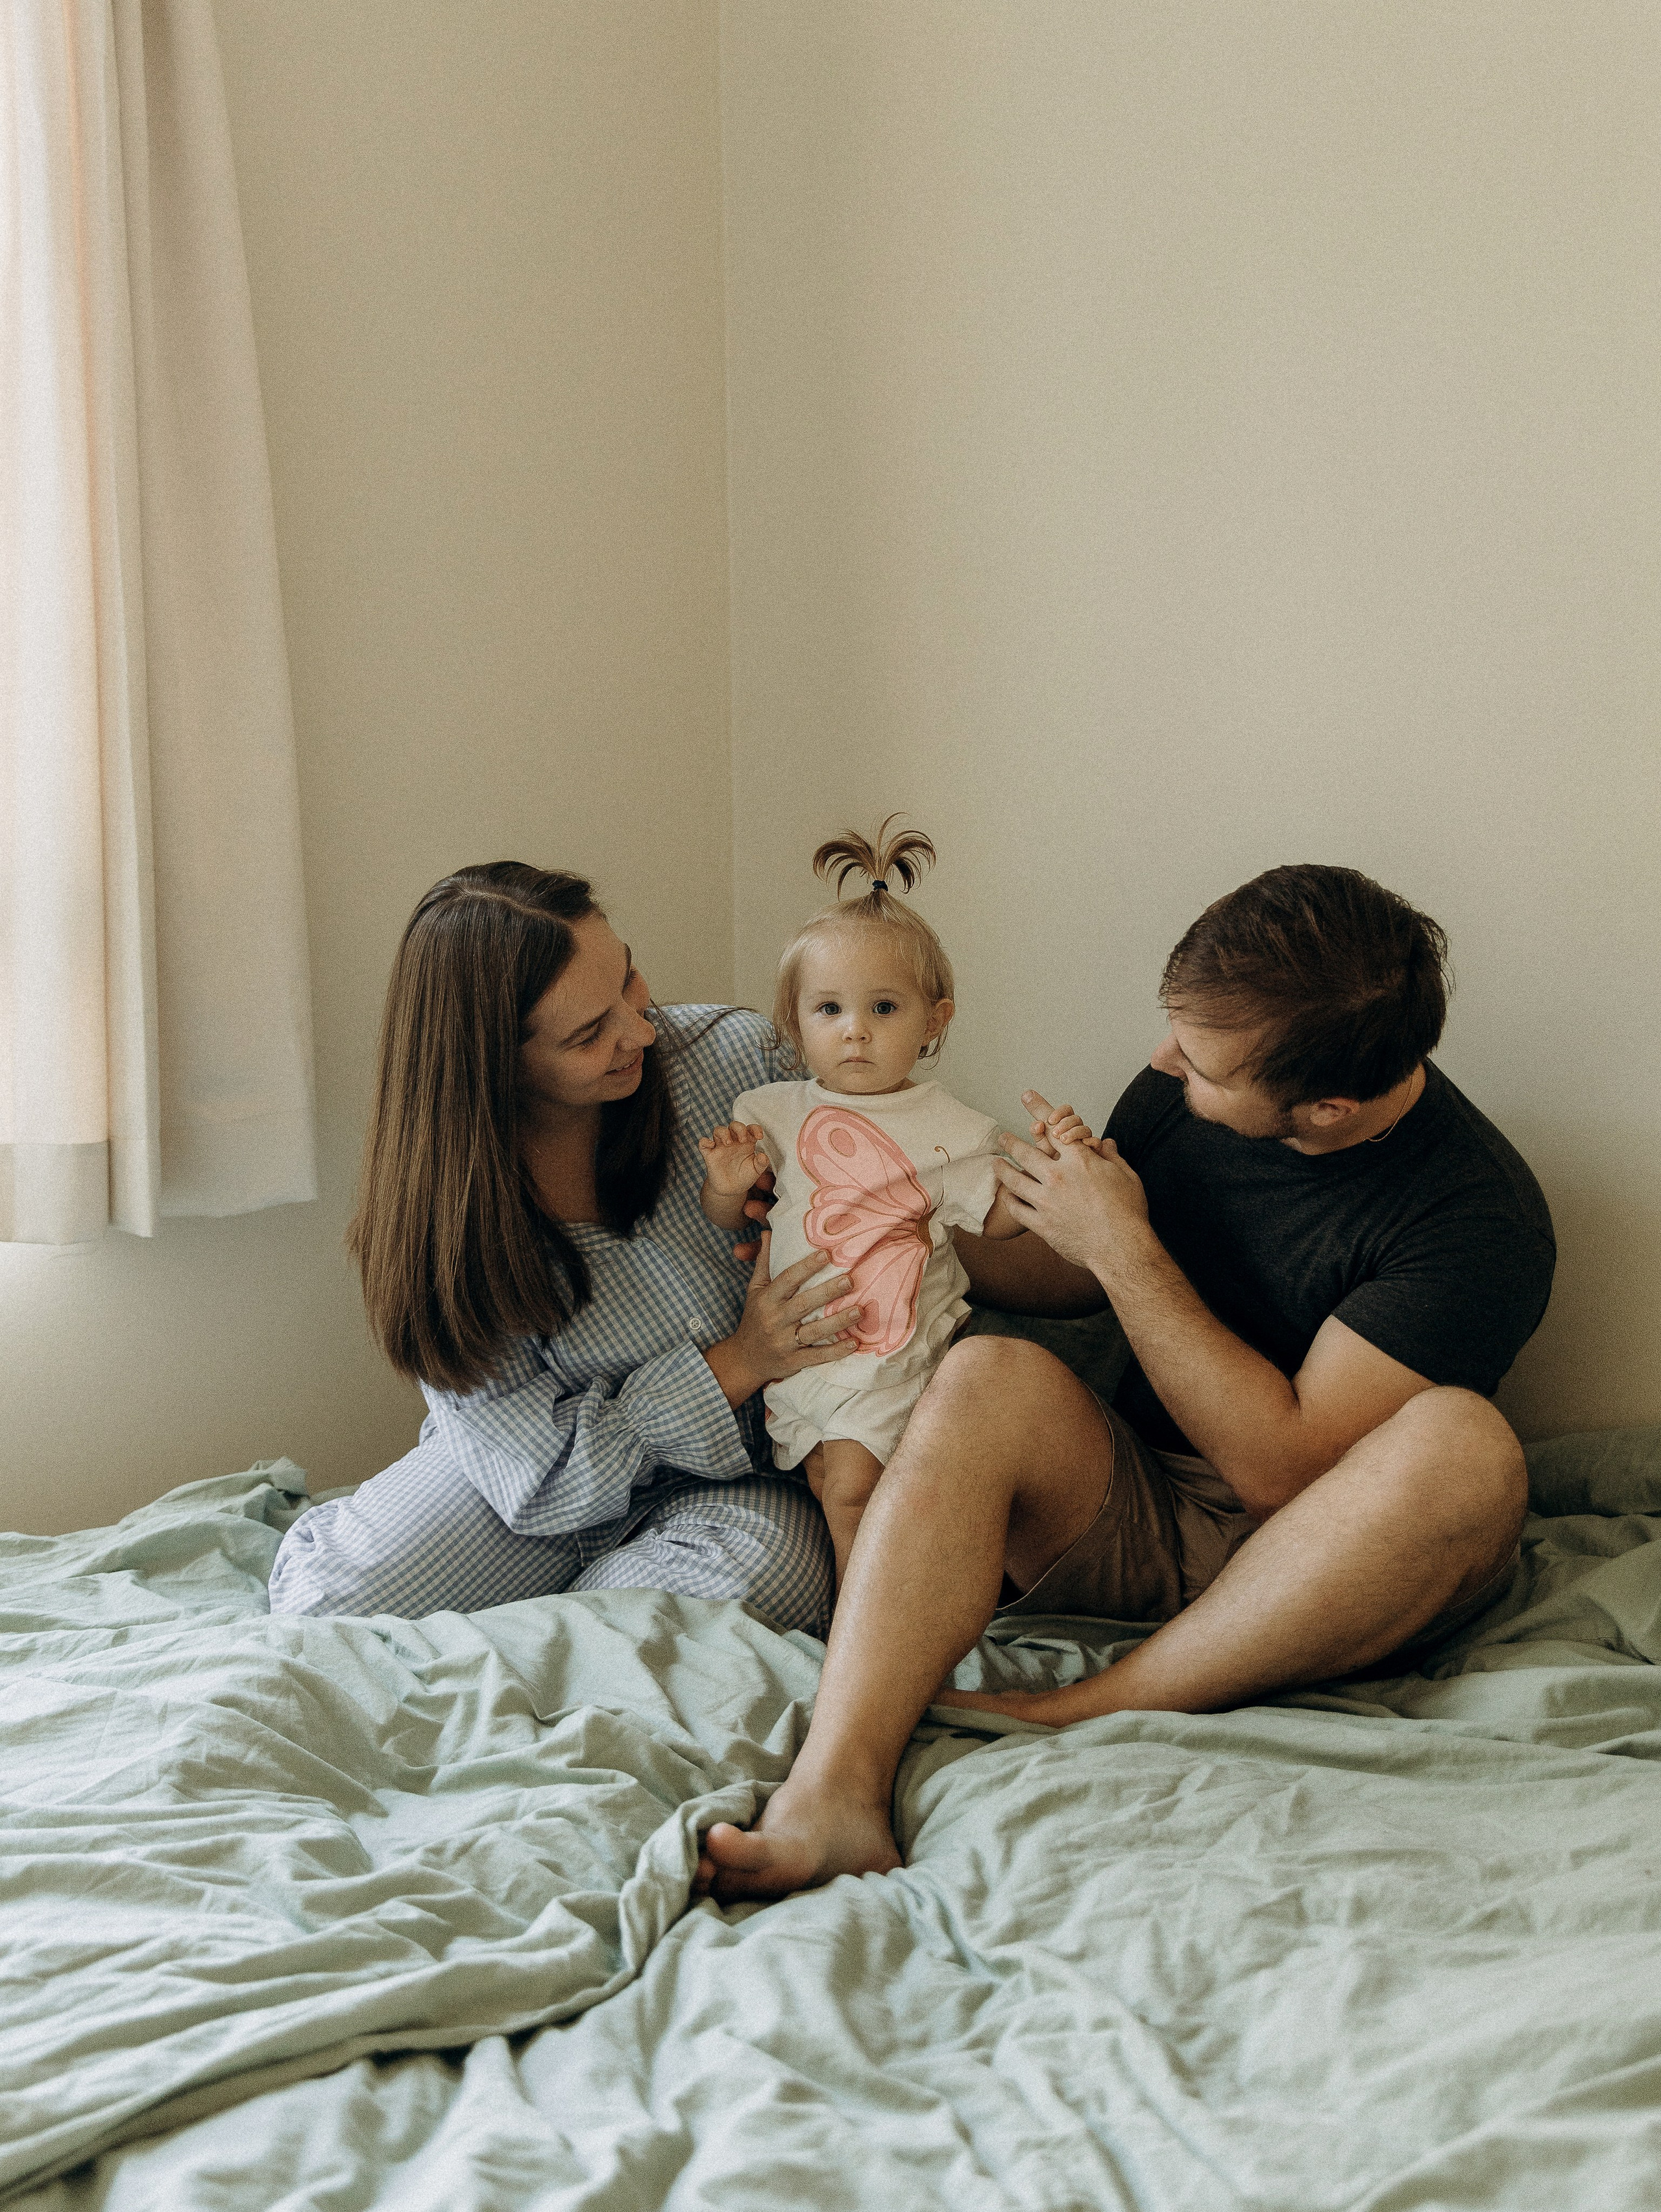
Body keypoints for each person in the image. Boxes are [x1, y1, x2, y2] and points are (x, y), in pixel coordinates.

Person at [699, 863, 1555, 1900]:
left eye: (1196, 1061)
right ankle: (835, 1789)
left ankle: (1089, 1704)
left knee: (1466, 1445)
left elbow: (1281, 1473)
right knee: (986, 1368)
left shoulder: (1474, 1218)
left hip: (1323, 1556)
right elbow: (1065, 1287)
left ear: (1326, 1109)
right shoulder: (1184, 1080)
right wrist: (921, 1217)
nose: (1160, 1061)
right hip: (1140, 1506)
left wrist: (1126, 1245)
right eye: (1174, 1029)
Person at [267, 861, 863, 1631]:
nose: (640, 1029)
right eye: (588, 1033)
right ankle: (567, 1617)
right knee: (330, 1608)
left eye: (629, 977)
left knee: (737, 1600)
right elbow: (532, 1474)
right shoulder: (445, 1220)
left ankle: (572, 1628)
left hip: (733, 1480)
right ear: (494, 1064)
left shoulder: (736, 1063)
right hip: (534, 1474)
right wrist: (735, 1363)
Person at [699, 821, 1025, 1588]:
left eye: (883, 1008)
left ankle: (866, 1634)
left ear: (933, 1021)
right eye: (829, 1010)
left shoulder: (954, 1129)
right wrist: (725, 1182)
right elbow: (732, 1224)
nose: (854, 1032)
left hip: (893, 1348)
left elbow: (999, 1220)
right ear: (794, 1020)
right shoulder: (771, 1110)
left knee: (851, 1490)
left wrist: (1051, 1174)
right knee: (826, 1484)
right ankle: (904, 1607)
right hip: (807, 1350)